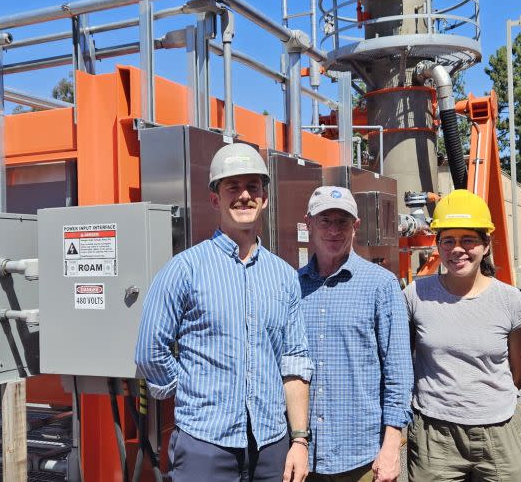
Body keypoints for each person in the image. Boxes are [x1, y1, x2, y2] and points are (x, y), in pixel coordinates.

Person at [134, 143, 312, 482]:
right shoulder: (184, 270)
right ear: (215, 199)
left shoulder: (284, 276)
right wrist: (189, 390)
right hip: (205, 444)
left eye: (252, 187)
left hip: (271, 443)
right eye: (232, 186)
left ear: (265, 198)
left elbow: (295, 361)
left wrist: (299, 439)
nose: (243, 195)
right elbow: (149, 350)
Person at [405, 189, 521, 481]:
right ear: (437, 244)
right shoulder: (416, 295)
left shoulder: (510, 300)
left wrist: (482, 399)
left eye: (468, 240)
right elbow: (401, 361)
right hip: (435, 435)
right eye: (448, 240)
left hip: (500, 431)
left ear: (486, 244)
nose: (457, 249)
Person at [297, 186, 413, 482]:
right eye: (325, 221)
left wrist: (390, 448)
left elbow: (398, 374)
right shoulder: (292, 287)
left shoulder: (381, 286)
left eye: (343, 222)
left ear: (356, 226)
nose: (334, 230)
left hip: (362, 458)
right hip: (302, 455)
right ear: (309, 223)